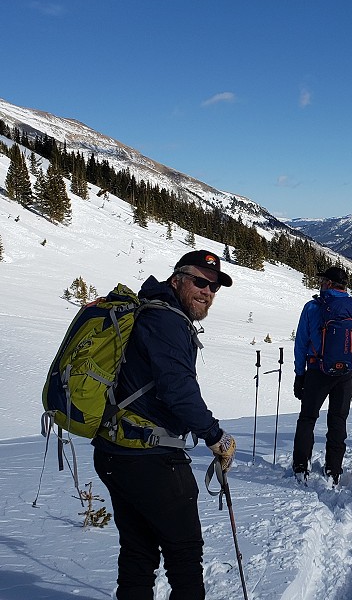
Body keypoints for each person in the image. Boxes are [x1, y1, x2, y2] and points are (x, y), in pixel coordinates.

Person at [93, 250, 237, 600]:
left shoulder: (151, 310)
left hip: (116, 451)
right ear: (177, 280)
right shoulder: (167, 321)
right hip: (149, 458)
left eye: (214, 286)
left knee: (139, 551)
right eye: (200, 282)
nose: (207, 291)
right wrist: (216, 437)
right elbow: (178, 391)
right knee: (184, 555)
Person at [292, 266, 352, 484]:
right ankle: (334, 469)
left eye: (323, 280)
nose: (320, 283)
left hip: (317, 370)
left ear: (329, 284)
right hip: (345, 373)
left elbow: (301, 343)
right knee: (338, 420)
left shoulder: (313, 308)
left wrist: (299, 374)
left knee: (307, 418)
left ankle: (300, 466)